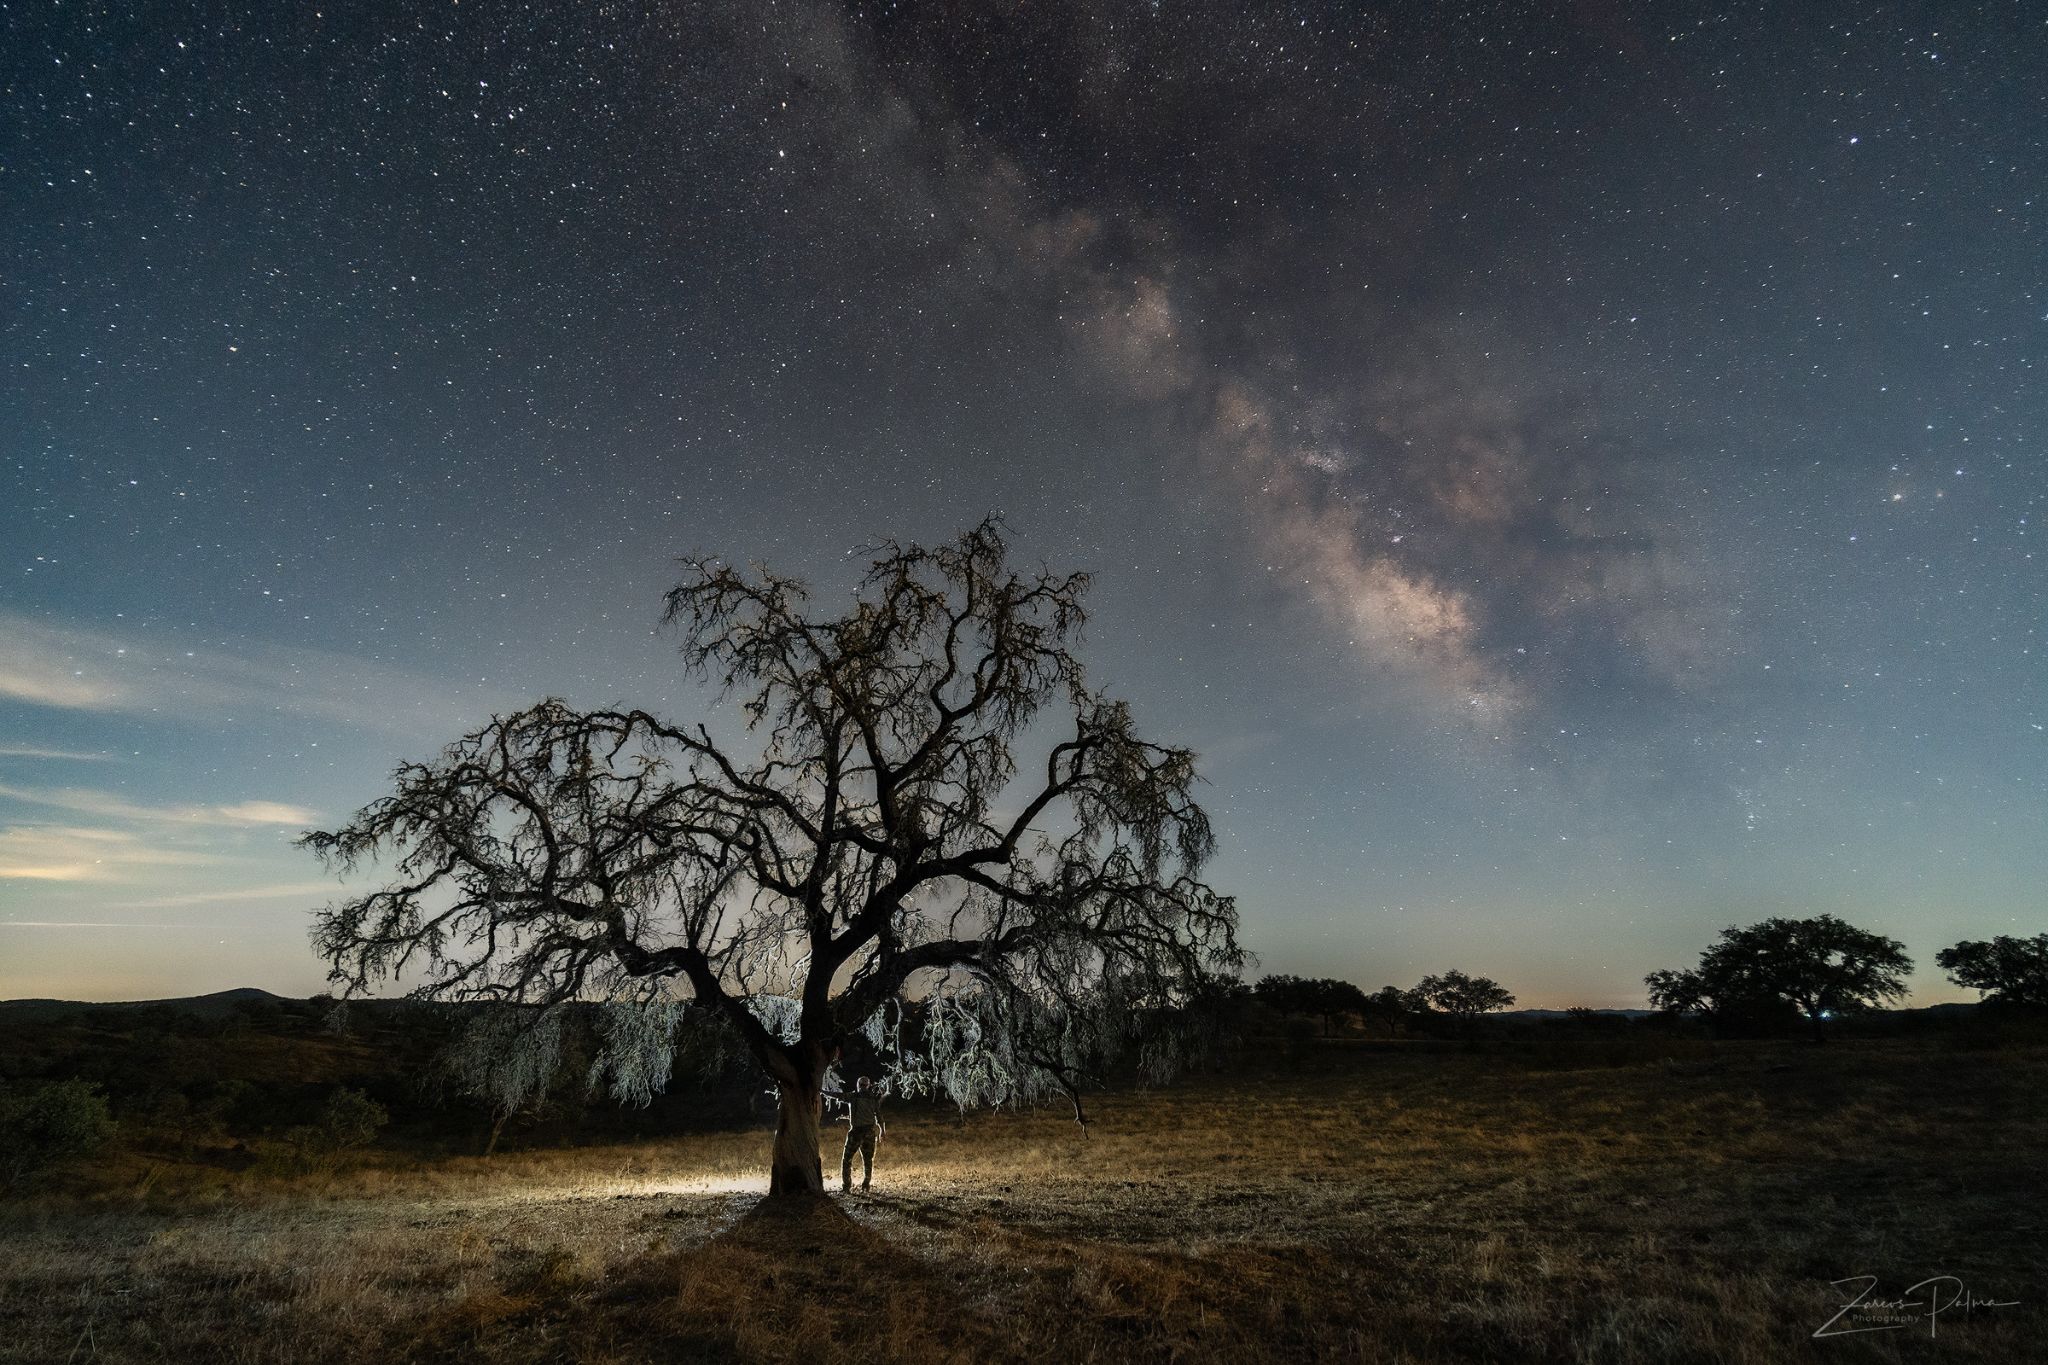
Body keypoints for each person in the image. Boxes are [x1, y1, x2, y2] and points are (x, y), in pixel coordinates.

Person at [822, 1074, 887, 1192]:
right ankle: (865, 1184)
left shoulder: (853, 1096)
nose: (861, 1087)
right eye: (862, 1085)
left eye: (862, 1085)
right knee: (868, 1160)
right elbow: (879, 1117)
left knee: (847, 1159)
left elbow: (837, 1095)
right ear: (868, 1086)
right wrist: (882, 1130)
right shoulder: (873, 1098)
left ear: (861, 1085)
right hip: (869, 1133)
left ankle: (847, 1186)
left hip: (856, 1132)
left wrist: (822, 1091)